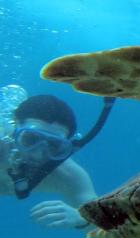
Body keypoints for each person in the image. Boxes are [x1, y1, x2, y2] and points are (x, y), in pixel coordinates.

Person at [0, 89, 109, 230]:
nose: (38, 154)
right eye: (31, 139)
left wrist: (82, 218)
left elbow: (105, 224)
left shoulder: (68, 176)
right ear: (14, 130)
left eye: (54, 145)